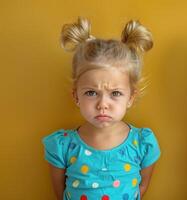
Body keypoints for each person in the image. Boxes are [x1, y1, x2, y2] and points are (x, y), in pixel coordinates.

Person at [42, 17, 160, 200]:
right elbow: (59, 193)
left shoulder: (142, 143)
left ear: (131, 97)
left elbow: (142, 186)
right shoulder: (62, 145)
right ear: (76, 96)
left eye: (115, 93)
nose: (102, 104)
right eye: (91, 93)